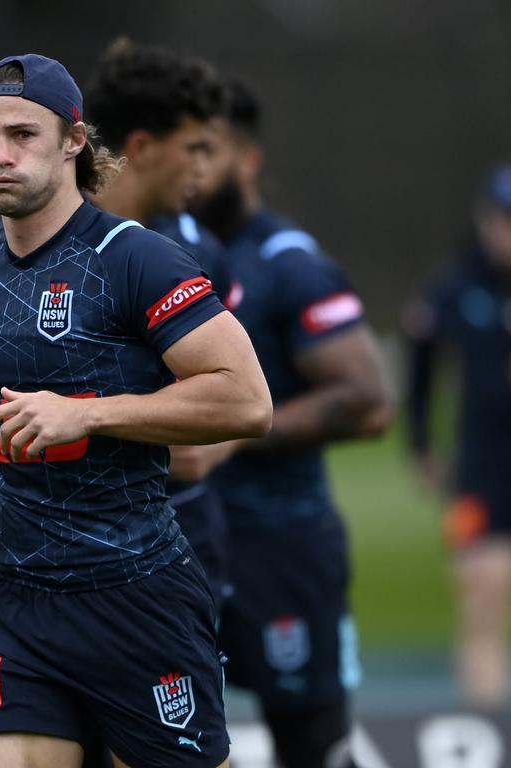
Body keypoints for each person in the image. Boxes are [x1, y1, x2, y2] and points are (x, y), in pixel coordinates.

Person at [0, 53, 273, 768]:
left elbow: (247, 399)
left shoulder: (135, 258)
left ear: (74, 142)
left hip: (136, 598)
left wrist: (87, 414)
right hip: (16, 601)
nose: (0, 155)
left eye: (23, 134)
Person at [182, 80, 393, 768]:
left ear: (247, 159)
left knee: (313, 743)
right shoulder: (159, 251)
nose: (192, 166)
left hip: (283, 544)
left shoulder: (289, 264)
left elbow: (367, 396)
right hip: (185, 540)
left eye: (206, 150)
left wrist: (233, 428)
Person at [85, 37, 232, 606]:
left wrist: (215, 447)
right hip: (53, 542)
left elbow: (241, 390)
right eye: (193, 149)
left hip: (181, 531)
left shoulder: (199, 250)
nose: (204, 169)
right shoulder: (32, 238)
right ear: (142, 147)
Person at [404, 163, 511, 711]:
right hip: (483, 468)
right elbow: (420, 363)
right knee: (483, 600)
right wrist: (421, 444)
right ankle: (489, 727)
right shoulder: (457, 285)